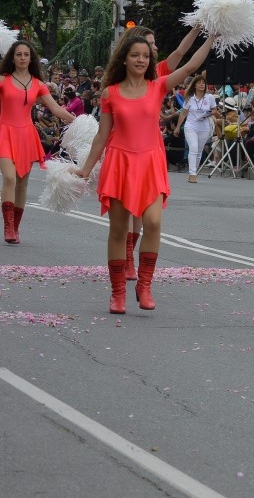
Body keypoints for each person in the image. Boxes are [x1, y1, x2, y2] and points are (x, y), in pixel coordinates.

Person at [76, 30, 216, 313]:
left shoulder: (158, 86)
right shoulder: (110, 93)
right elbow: (102, 135)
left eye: (145, 56)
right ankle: (117, 293)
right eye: (135, 55)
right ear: (124, 59)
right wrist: (85, 169)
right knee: (118, 231)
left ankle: (145, 284)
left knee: (152, 222)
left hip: (151, 163)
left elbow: (190, 65)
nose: (141, 60)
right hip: (119, 164)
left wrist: (211, 35)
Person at [0, 41, 78, 243]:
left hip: (26, 135)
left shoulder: (38, 84)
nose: (22, 58)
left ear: (31, 58)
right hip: (4, 132)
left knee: (22, 183)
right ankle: (8, 226)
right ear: (12, 57)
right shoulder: (3, 79)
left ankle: (15, 228)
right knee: (9, 178)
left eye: (26, 54)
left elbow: (56, 109)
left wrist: (80, 122)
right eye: (18, 54)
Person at [174, 74, 218, 183]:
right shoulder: (189, 98)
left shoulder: (209, 97)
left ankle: (194, 171)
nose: (202, 85)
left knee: (199, 151)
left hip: (204, 126)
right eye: (199, 83)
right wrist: (178, 127)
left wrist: (208, 113)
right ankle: (192, 173)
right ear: (194, 85)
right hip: (191, 125)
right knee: (193, 148)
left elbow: (214, 110)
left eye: (203, 83)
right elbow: (183, 113)